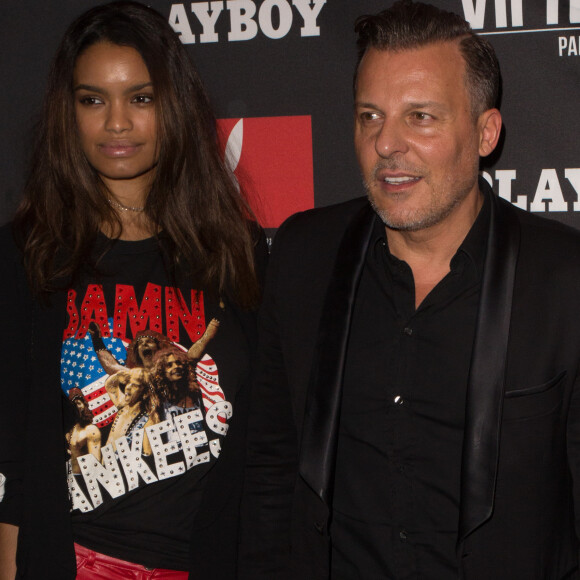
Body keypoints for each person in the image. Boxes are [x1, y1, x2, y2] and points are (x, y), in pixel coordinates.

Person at [239, 1, 580, 579]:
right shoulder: (303, 257)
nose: (387, 144)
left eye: (420, 116)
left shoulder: (563, 280)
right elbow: (270, 471)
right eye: (370, 116)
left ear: (485, 131)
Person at [0, 2, 266, 578]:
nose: (115, 122)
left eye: (140, 98)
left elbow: (267, 454)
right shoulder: (28, 254)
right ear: (67, 112)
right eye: (92, 99)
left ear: (173, 106)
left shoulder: (235, 251)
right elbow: (12, 466)